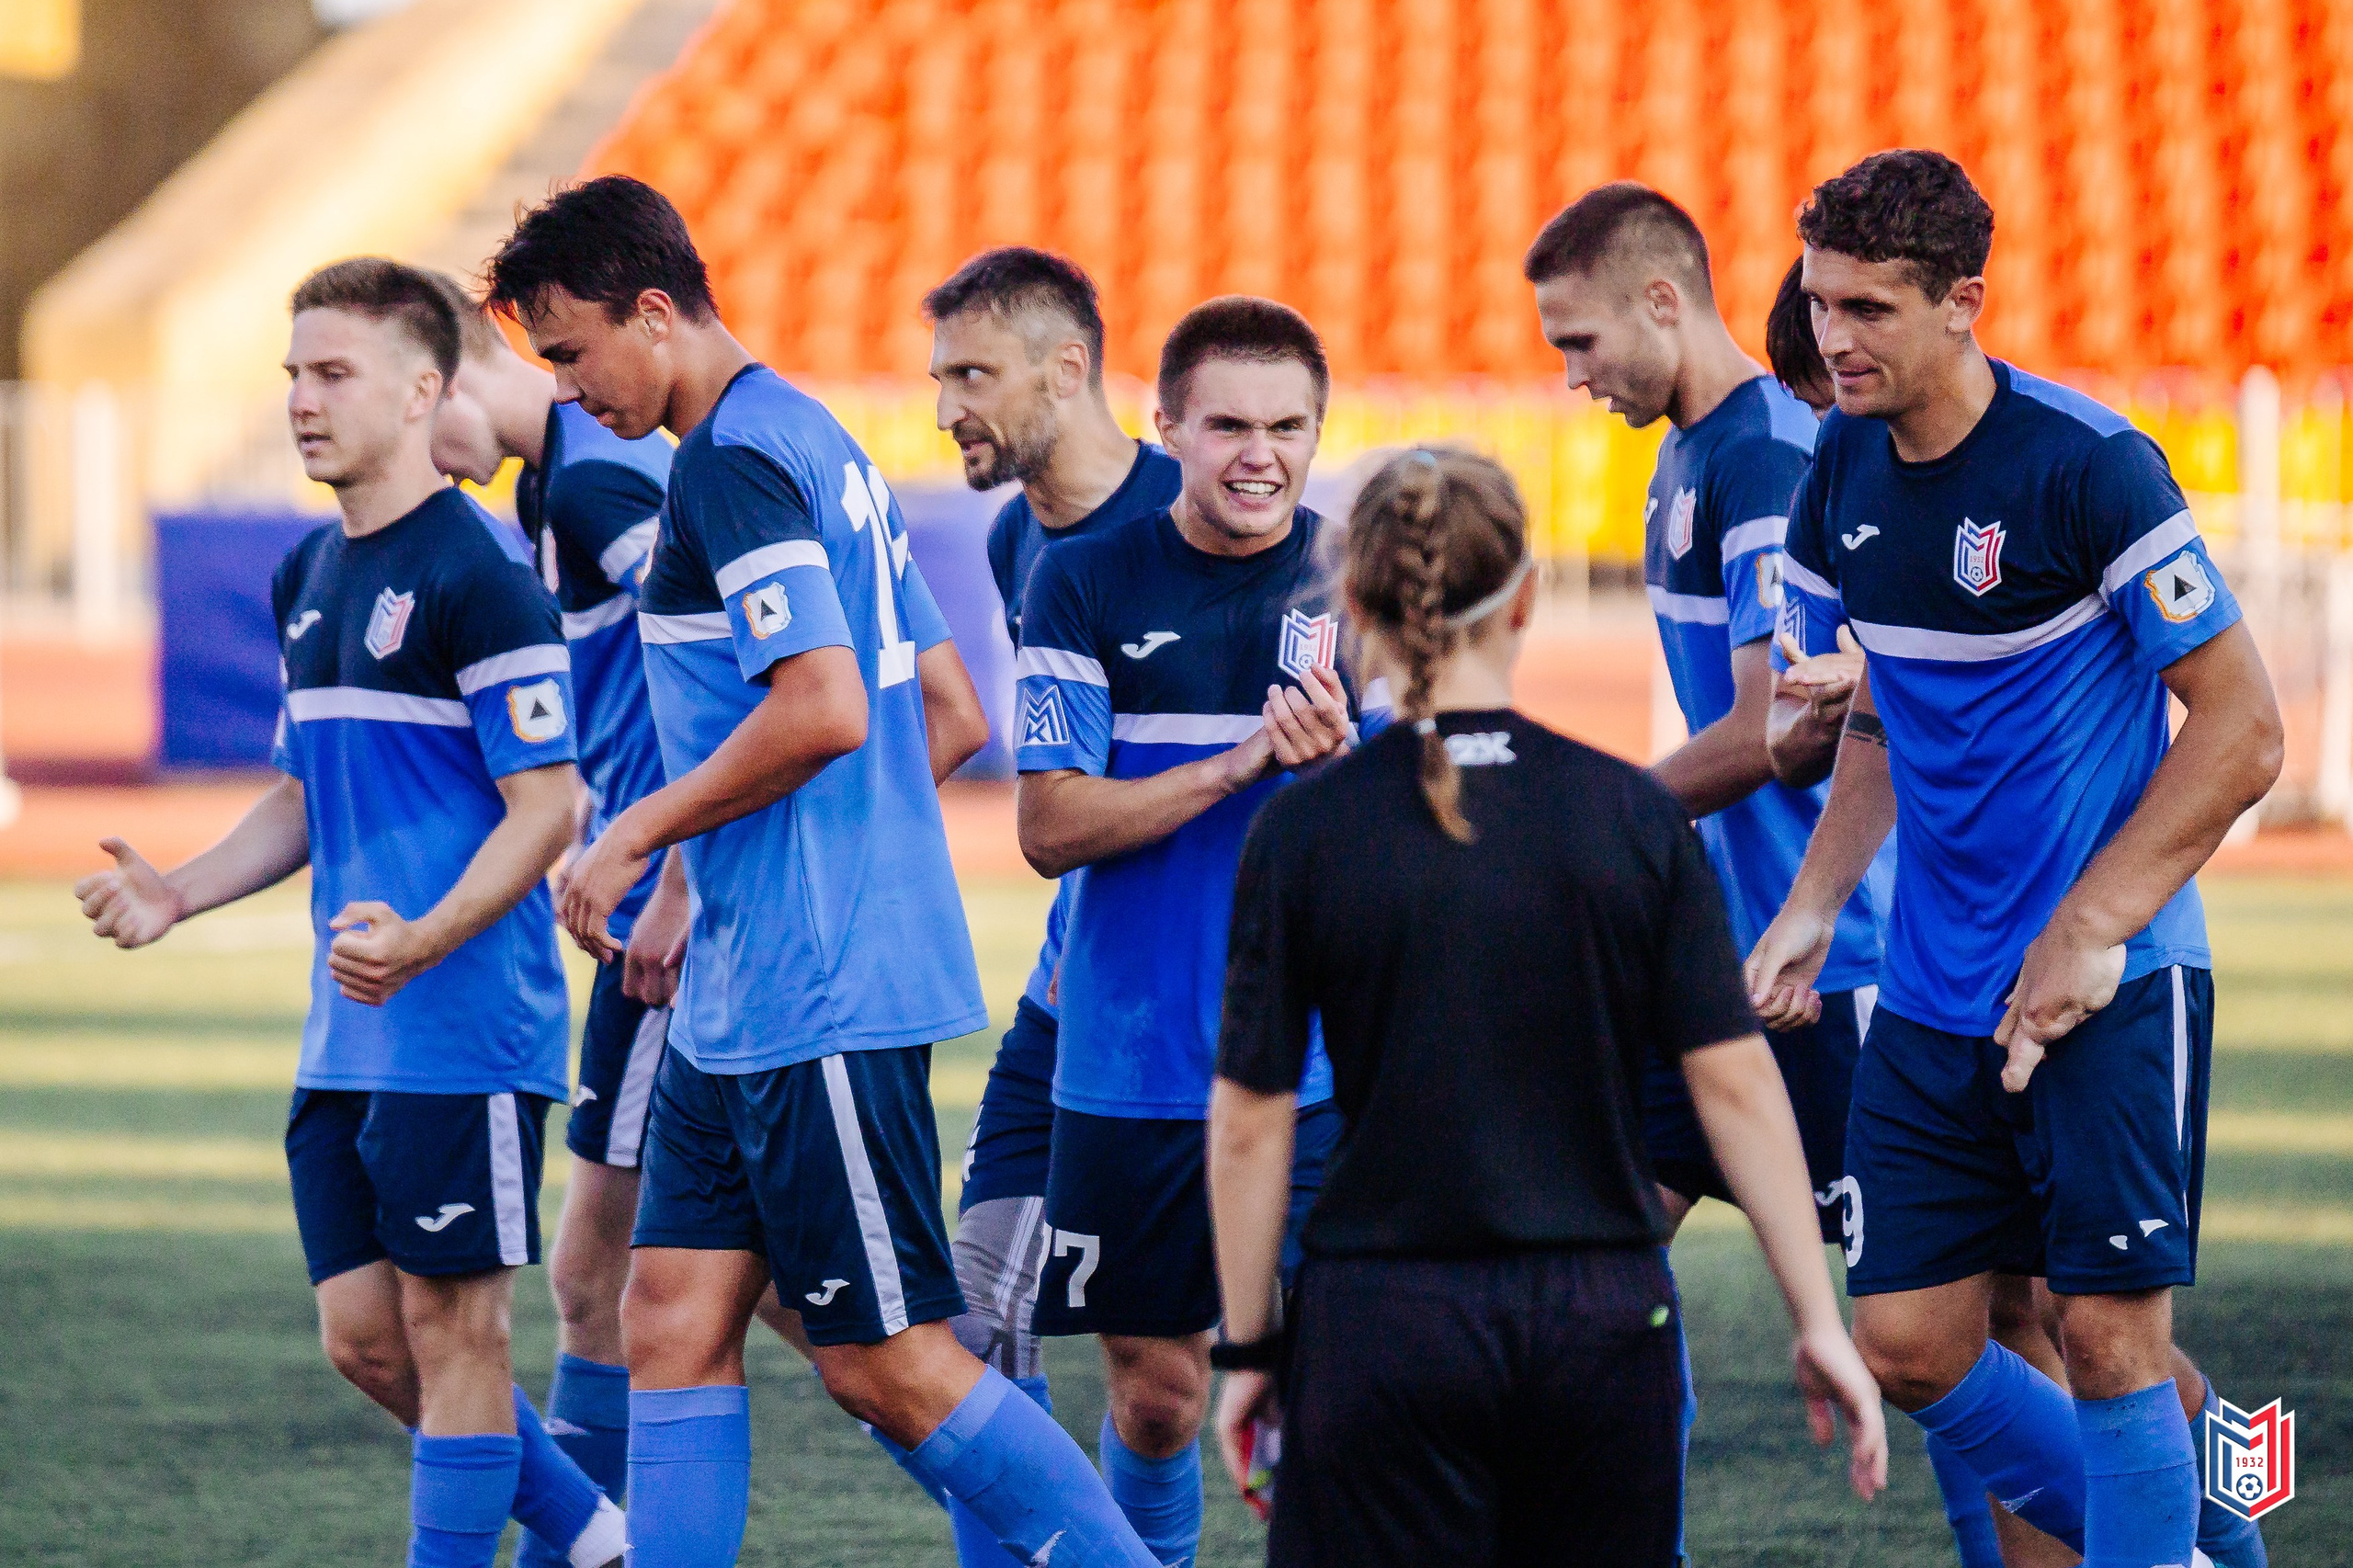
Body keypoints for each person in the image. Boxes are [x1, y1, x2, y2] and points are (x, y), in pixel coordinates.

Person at [483, 174, 1161, 1568]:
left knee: (887, 1361)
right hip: (743, 989)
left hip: (818, 985)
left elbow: (829, 708)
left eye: (568, 353)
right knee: (665, 1314)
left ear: (654, 314)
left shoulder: (732, 460)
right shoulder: (810, 437)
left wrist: (639, 832)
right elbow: (948, 711)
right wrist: (713, 870)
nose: (562, 391)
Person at [1206, 446, 1887, 1567]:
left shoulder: (1306, 830)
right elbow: (1733, 1081)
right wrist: (1816, 1316)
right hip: (1602, 1325)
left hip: (1381, 1320)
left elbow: (1246, 1120)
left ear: (1356, 601)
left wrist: (1246, 1349)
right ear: (1526, 597)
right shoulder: (1627, 813)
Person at [1747, 149, 2279, 1568]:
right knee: (1912, 1340)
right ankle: (2220, 1526)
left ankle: (2171, 1538)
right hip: (1932, 989)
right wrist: (1812, 899)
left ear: (1962, 302)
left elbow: (2243, 728)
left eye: (1865, 309)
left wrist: (2092, 922)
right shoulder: (1840, 471)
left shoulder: (2088, 465)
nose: (1831, 339)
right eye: (1819, 303)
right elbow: (1875, 713)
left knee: (2107, 1335)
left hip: (2114, 981)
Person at [74, 258, 625, 1568]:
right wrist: (179, 891)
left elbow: (548, 807)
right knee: (366, 1339)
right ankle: (599, 1533)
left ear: (424, 387)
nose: (302, 403)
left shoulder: (481, 577)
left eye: (332, 375)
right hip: (349, 1025)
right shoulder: (309, 572)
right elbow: (302, 792)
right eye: (292, 377)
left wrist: (429, 940)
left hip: (464, 1016)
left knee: (456, 1331)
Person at [1523, 183, 1886, 1562]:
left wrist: (1573, 815)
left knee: (1989, 1333)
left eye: (1580, 342)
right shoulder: (1688, 455)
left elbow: (1777, 733)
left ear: (1663, 302)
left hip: (1842, 967)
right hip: (1725, 969)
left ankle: (2226, 1506)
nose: (1570, 378)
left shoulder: (1766, 457)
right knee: (1593, 1268)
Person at [1013, 296, 1358, 1568]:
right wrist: (1241, 760)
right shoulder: (1087, 578)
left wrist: (1338, 773)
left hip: (1313, 1068)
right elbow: (1049, 823)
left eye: (1287, 424)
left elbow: (1424, 836)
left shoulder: (1357, 581)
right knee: (1157, 1390)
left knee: (1333, 1389)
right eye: (1226, 424)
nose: (1258, 452)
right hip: (1128, 1060)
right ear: (1166, 428)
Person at [925, 244, 1184, 1567]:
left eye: (971, 373)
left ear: (1065, 368)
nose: (943, 407)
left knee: (1158, 1382)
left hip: (1201, 1026)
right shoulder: (1015, 532)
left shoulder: (1201, 515)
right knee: (971, 1337)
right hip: (1064, 1006)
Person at [425, 271, 680, 1555]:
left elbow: (737, 653)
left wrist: (675, 860)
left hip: (672, 918)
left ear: (456, 375)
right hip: (648, 898)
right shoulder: (549, 483)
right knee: (622, 1277)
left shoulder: (590, 479)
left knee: (610, 1278)